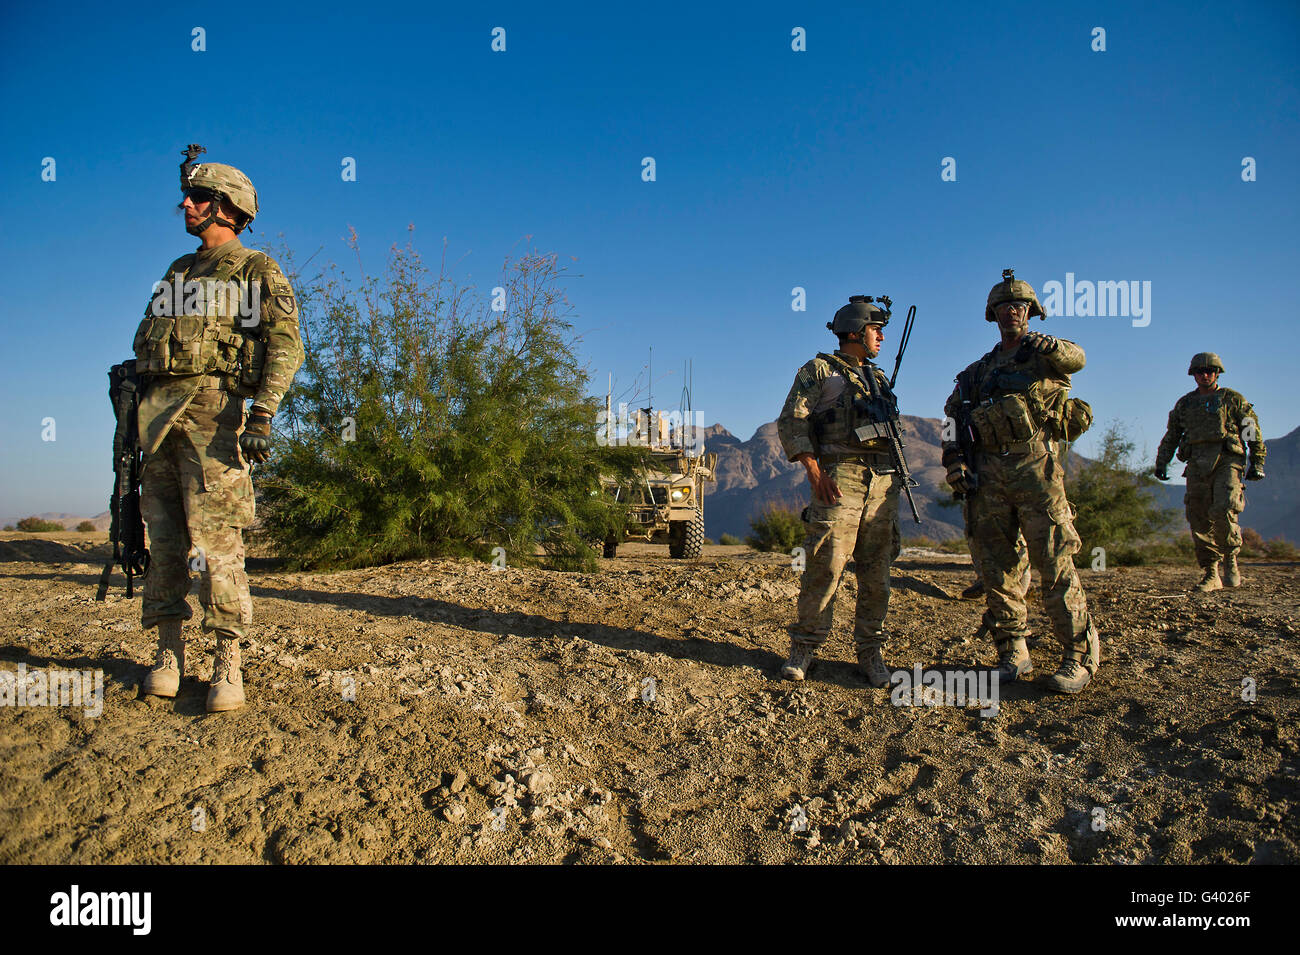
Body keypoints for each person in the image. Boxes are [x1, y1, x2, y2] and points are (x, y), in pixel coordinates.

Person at [133, 147, 303, 712]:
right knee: (165, 543)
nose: (186, 204)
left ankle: (227, 660)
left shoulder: (255, 269)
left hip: (215, 417)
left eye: (199, 197)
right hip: (157, 418)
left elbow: (285, 344)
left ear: (227, 207)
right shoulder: (178, 272)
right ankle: (168, 654)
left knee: (216, 545)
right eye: (187, 195)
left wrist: (264, 413)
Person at [942, 269, 1100, 694]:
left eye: (1019, 306)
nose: (1011, 312)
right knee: (998, 569)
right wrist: (954, 460)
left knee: (1055, 563)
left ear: (1031, 312)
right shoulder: (976, 372)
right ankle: (1013, 650)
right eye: (1004, 307)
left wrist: (1052, 345)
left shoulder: (1045, 355)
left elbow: (1078, 358)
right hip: (987, 476)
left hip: (1036, 470)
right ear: (992, 314)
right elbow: (951, 419)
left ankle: (1078, 656)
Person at [776, 295, 903, 687]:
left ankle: (871, 652)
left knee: (877, 571)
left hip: (883, 481)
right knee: (825, 563)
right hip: (840, 476)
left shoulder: (878, 378)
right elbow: (791, 421)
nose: (881, 337)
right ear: (854, 332)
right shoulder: (820, 371)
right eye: (875, 329)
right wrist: (814, 471)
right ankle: (805, 647)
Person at [1154, 353, 1266, 592]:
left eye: (1210, 371)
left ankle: (1230, 560)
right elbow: (1172, 435)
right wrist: (1162, 462)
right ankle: (1211, 572)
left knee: (1224, 508)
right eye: (1200, 371)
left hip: (1227, 460)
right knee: (1198, 516)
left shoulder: (1232, 399)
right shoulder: (1185, 404)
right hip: (1196, 463)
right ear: (1193, 375)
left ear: (1217, 374)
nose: (1205, 375)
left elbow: (1250, 430)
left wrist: (1257, 461)